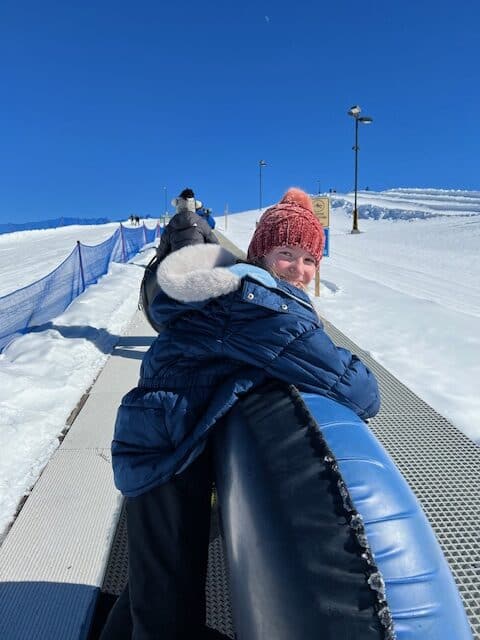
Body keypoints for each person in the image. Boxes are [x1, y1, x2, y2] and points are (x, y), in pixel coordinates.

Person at [100, 187, 380, 640]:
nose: (300, 270)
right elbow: (359, 391)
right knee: (165, 612)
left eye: (310, 259)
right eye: (287, 253)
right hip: (170, 452)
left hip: (165, 437)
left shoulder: (241, 291)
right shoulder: (262, 305)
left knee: (154, 585)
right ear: (260, 253)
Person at [156, 188, 218, 261]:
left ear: (177, 204)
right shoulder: (201, 222)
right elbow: (214, 244)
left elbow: (162, 251)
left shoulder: (171, 226)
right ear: (194, 205)